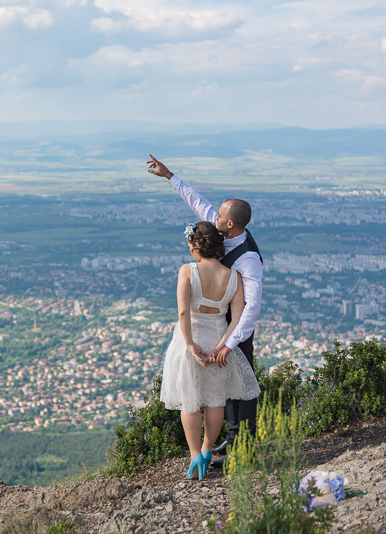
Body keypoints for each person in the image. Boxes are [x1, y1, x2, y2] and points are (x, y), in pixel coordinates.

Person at [147, 154, 263, 465]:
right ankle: (231, 438)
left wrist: (230, 342)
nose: (214, 217)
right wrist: (171, 177)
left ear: (230, 223)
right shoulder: (223, 233)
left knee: (240, 388)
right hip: (219, 324)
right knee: (220, 389)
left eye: (220, 215)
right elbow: (201, 206)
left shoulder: (248, 259)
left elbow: (251, 308)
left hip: (234, 331)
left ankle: (244, 447)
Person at [160, 221, 261, 479]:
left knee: (190, 401)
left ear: (196, 247)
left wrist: (190, 343)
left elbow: (183, 311)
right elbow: (236, 317)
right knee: (215, 400)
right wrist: (223, 345)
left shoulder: (188, 271)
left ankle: (195, 455)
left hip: (191, 339)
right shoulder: (234, 276)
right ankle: (207, 449)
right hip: (217, 339)